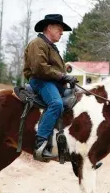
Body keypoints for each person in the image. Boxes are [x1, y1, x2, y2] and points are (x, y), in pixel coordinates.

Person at [23, 14, 77, 161]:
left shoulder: (51, 47)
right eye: (59, 29)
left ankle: (72, 145)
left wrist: (67, 78)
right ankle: (40, 144)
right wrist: (63, 76)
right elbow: (40, 68)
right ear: (49, 27)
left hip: (54, 83)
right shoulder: (37, 43)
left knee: (78, 98)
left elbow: (54, 69)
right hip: (41, 81)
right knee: (56, 104)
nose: (61, 33)